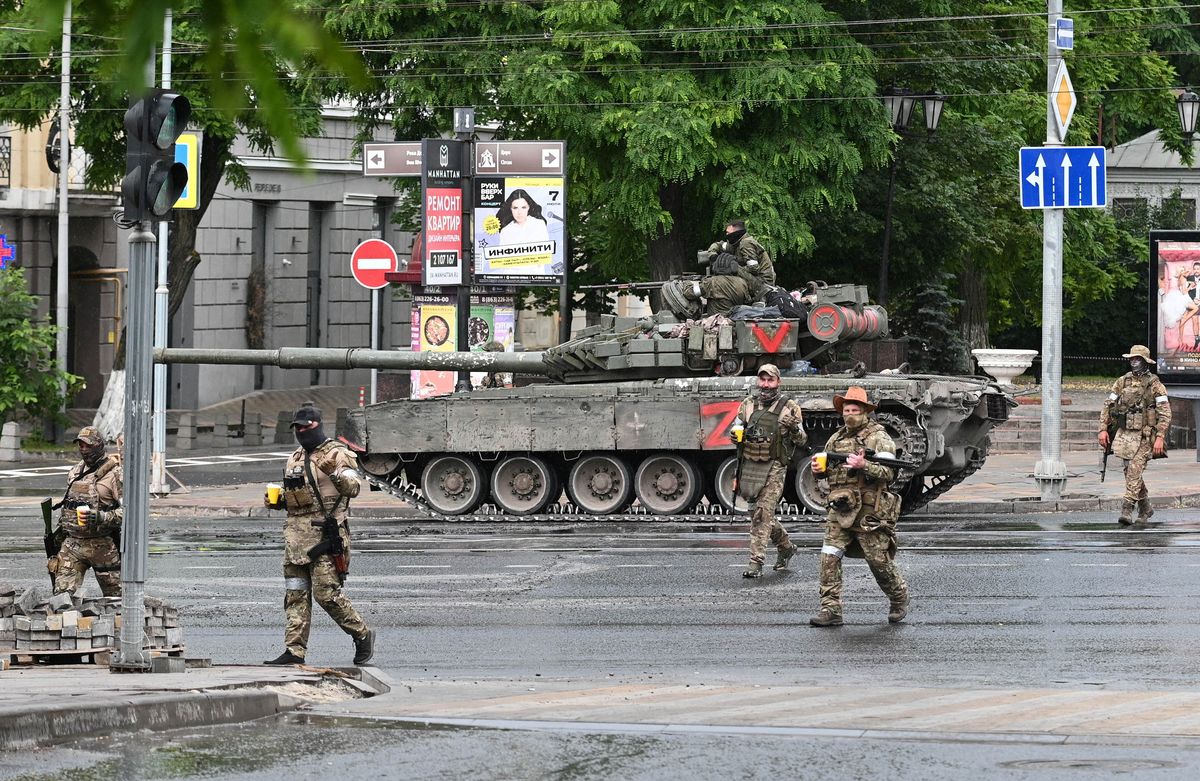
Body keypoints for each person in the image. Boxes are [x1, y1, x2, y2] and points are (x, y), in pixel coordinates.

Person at [264, 403, 375, 666]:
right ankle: (294, 651)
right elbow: (295, 497)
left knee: (327, 595)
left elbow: (353, 488)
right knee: (295, 595)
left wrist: (333, 472)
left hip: (325, 536)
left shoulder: (337, 454)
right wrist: (278, 501)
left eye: (306, 426)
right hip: (295, 541)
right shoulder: (295, 457)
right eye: (297, 427)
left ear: (318, 424)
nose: (301, 431)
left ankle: (361, 633)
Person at [808, 387, 907, 626]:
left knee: (877, 561)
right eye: (846, 410)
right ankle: (830, 609)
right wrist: (819, 472)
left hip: (869, 509)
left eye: (854, 410)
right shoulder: (836, 438)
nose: (849, 414)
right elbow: (829, 474)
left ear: (865, 412)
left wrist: (865, 465)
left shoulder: (879, 437)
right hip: (840, 506)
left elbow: (890, 473)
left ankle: (898, 595)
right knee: (829, 556)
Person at [732, 364, 806, 578]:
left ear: (778, 382)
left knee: (762, 514)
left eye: (770, 380)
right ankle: (786, 546)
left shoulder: (789, 407)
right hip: (750, 464)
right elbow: (736, 426)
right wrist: (734, 434)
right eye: (762, 380)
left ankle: (756, 563)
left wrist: (793, 427)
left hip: (774, 466)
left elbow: (802, 440)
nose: (765, 385)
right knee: (757, 513)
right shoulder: (748, 404)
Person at [1098, 345, 1171, 526]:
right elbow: (1108, 405)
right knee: (1129, 472)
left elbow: (1165, 413)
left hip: (1146, 435)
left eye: (1137, 358)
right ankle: (1146, 507)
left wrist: (1160, 436)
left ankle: (1127, 509)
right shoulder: (1122, 381)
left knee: (1134, 470)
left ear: (1145, 361)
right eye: (1131, 358)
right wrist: (1102, 429)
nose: (1133, 361)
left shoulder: (1155, 384)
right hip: (1125, 435)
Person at [49, 426, 123, 596]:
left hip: (102, 545)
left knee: (116, 599)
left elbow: (129, 513)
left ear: (99, 445)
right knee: (62, 598)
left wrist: (101, 517)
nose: (83, 449)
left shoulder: (115, 475)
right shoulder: (75, 472)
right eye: (80, 445)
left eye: (88, 445)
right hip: (73, 544)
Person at [707, 219, 775, 300]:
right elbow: (717, 245)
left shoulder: (746, 243)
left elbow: (754, 268)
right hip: (754, 280)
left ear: (736, 232)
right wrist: (713, 255)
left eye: (728, 233)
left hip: (763, 284)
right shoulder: (735, 243)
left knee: (728, 264)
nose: (727, 235)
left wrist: (732, 268)